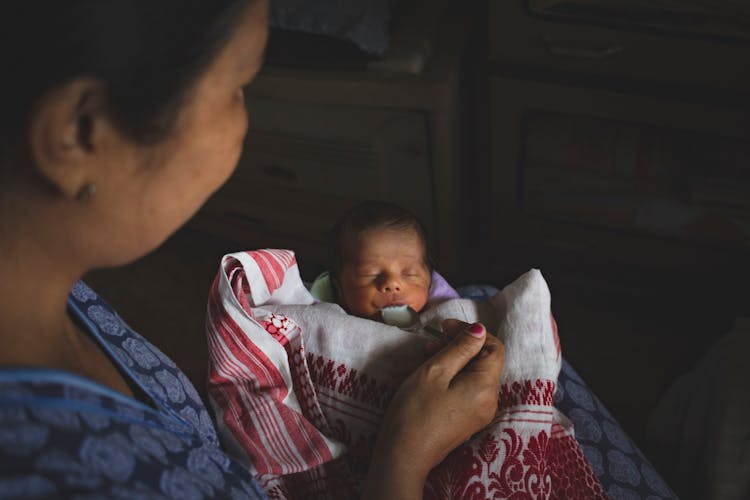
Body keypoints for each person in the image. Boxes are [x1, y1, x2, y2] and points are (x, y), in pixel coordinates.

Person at [0, 1, 505, 498]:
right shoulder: (63, 475)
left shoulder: (56, 292)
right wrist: (405, 455)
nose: (245, 122)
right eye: (237, 87)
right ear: (78, 135)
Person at [316, 200, 459, 323]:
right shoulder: (331, 325)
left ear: (430, 282)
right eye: (369, 274)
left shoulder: (442, 320)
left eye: (410, 274)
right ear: (339, 289)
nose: (392, 283)